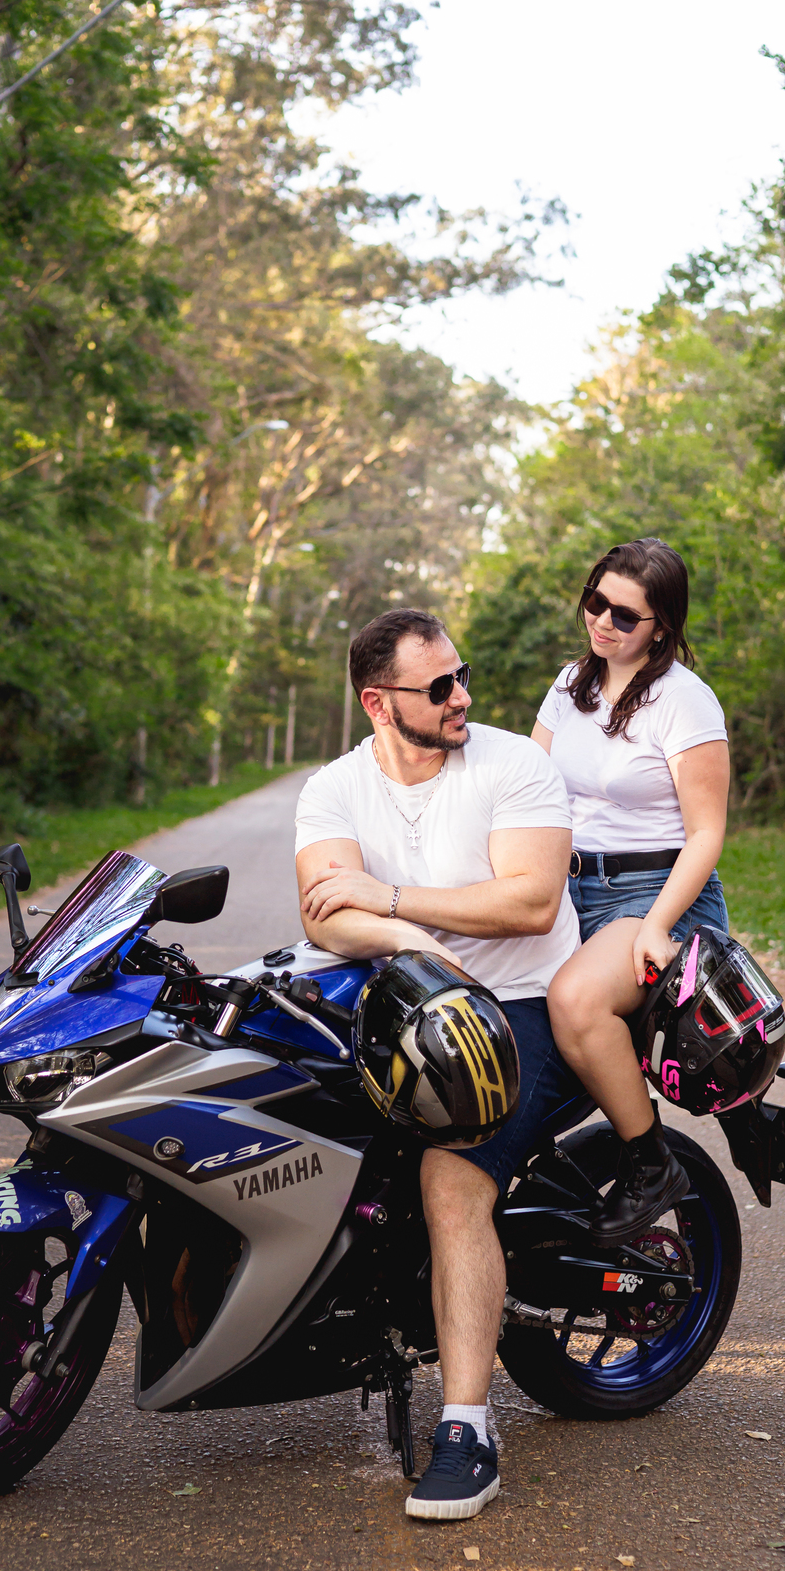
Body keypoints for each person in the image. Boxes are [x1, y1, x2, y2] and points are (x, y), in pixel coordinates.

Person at [295, 607, 580, 1521]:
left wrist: (389, 898)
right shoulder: (334, 789)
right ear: (379, 704)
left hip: (525, 1005)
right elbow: (321, 913)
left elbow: (532, 902)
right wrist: (410, 936)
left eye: (464, 676)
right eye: (440, 686)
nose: (464, 697)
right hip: (410, 1003)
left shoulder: (514, 765)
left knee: (450, 1180)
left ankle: (468, 1427)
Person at [533, 537, 731, 1245]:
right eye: (596, 601)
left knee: (576, 1000)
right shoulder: (569, 684)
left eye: (625, 613)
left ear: (662, 627)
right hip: (570, 888)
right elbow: (533, 795)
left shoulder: (685, 701)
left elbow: (706, 834)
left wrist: (656, 926)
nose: (603, 622)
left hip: (656, 893)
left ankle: (652, 1163)